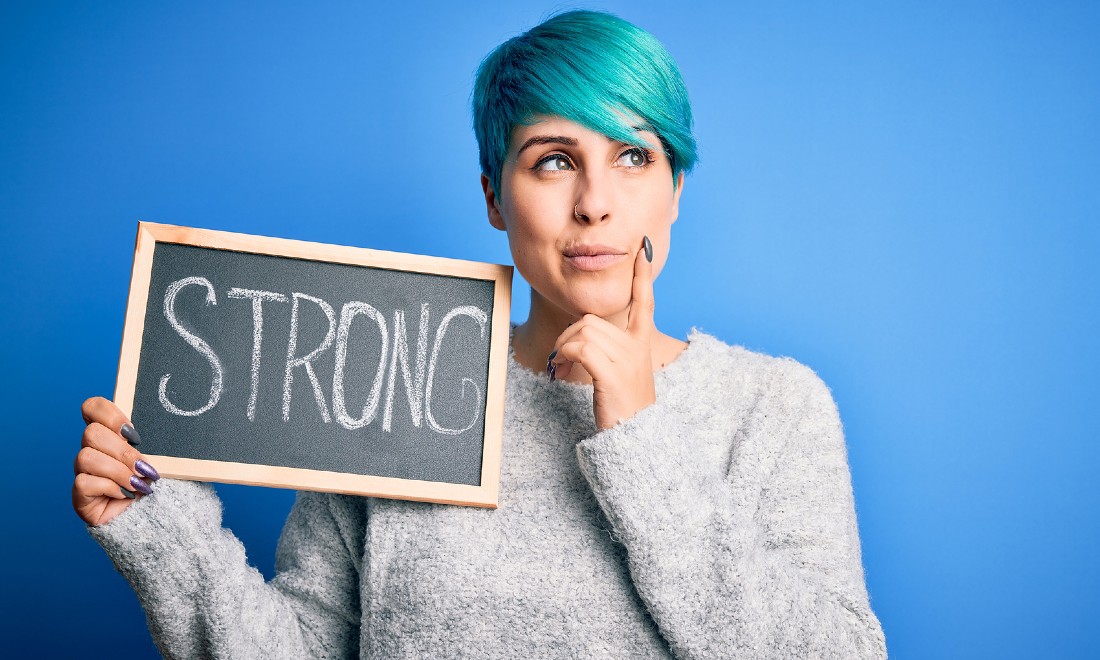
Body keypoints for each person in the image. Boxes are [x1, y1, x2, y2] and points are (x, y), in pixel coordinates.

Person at [73, 9, 887, 658]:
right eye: (553, 161)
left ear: (675, 189)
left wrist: (644, 437)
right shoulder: (395, 381)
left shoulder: (774, 407)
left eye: (633, 157)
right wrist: (158, 528)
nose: (595, 202)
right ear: (496, 198)